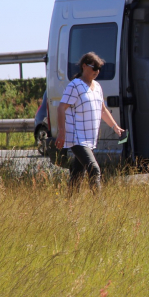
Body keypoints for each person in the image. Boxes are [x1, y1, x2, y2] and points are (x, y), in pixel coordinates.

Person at [56, 52, 124, 192]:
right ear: (84, 66)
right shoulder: (75, 86)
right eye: (94, 68)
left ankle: (70, 203)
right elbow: (61, 108)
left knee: (77, 173)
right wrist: (62, 133)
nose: (97, 71)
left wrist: (116, 127)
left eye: (99, 68)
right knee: (94, 169)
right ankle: (98, 204)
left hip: (90, 138)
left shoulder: (97, 87)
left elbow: (102, 110)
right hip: (76, 137)